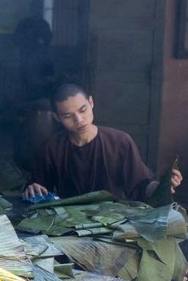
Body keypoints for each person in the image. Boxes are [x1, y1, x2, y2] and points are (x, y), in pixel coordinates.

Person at [23, 83, 182, 202]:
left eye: (83, 110)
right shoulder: (51, 148)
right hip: (68, 221)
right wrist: (33, 189)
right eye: (68, 116)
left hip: (112, 220)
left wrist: (162, 186)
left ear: (91, 102)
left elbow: (141, 186)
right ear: (58, 118)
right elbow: (40, 190)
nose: (79, 120)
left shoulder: (119, 142)